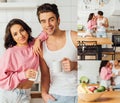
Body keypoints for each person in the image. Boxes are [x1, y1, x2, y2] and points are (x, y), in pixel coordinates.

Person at [35, 3, 78, 103]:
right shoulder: (41, 47)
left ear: (58, 20)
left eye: (51, 19)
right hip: (56, 96)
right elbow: (45, 75)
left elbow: (91, 60)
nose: (48, 25)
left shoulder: (74, 37)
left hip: (79, 93)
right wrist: (44, 94)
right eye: (43, 21)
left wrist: (75, 65)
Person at [0, 18, 47, 103]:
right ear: (12, 38)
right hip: (10, 94)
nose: (20, 35)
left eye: (22, 30)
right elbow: (1, 79)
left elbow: (46, 32)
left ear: (26, 30)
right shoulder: (10, 52)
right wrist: (23, 75)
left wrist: (38, 40)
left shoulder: (34, 45)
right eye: (15, 34)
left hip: (26, 94)